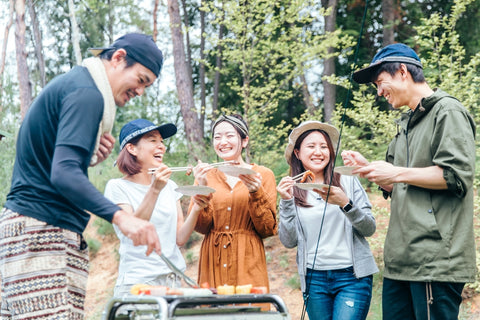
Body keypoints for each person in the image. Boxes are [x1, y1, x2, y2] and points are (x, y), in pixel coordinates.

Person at [0, 33, 165, 319]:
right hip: (43, 232)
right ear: (118, 58)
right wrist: (122, 217)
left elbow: (51, 162)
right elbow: (62, 174)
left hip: (22, 229)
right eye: (141, 80)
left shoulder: (75, 85)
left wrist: (88, 155)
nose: (140, 92)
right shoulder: (88, 93)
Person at [344, 43, 476, 320]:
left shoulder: (447, 111)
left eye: (380, 83)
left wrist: (396, 172)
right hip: (400, 261)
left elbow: (456, 176)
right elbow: (401, 184)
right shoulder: (404, 123)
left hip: (434, 260)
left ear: (403, 71)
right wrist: (370, 169)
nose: (379, 92)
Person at [277, 121, 378, 320]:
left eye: (324, 147)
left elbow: (369, 227)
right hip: (315, 280)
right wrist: (286, 201)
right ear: (297, 153)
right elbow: (288, 241)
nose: (318, 152)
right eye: (311, 146)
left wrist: (345, 203)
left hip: (352, 277)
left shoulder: (347, 180)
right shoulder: (292, 188)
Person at [104, 119, 210, 295]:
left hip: (172, 281)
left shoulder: (170, 186)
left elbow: (180, 238)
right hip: (138, 283)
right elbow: (133, 231)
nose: (162, 146)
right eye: (153, 140)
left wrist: (197, 207)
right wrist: (155, 189)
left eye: (162, 141)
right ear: (132, 148)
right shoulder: (117, 187)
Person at [190, 114, 277, 292]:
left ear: (244, 141)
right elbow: (200, 227)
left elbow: (267, 229)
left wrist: (256, 192)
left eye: (230, 136)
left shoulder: (263, 174)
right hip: (212, 261)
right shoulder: (205, 175)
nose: (223, 142)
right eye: (217, 137)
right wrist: (202, 188)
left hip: (248, 261)